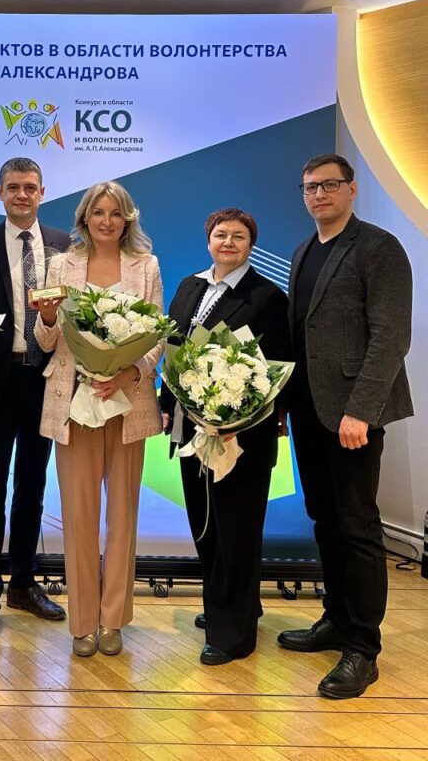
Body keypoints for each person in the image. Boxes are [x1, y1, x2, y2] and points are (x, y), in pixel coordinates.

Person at [280, 153, 413, 699]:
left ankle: (363, 648)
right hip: (309, 411)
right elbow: (301, 336)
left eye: (329, 185)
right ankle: (336, 619)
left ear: (352, 190)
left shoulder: (379, 248)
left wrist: (361, 410)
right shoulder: (303, 250)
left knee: (357, 526)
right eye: (310, 187)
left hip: (353, 415)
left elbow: (390, 337)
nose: (319, 194)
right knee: (324, 518)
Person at [34, 181, 164, 657]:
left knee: (123, 517)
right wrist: (49, 319)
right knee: (79, 517)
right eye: (98, 212)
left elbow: (157, 335)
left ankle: (114, 620)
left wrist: (128, 371)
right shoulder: (59, 265)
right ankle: (83, 622)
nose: (106, 221)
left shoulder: (147, 266)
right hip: (73, 404)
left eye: (115, 213)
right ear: (84, 218)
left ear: (127, 219)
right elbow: (46, 341)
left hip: (128, 402)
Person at [158, 208, 291, 665]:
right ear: (208, 240)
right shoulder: (189, 286)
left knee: (237, 529)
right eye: (220, 234)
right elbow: (174, 352)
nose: (228, 242)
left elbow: (276, 370)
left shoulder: (267, 296)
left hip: (241, 436)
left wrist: (237, 417)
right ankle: (229, 603)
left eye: (238, 236)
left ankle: (234, 635)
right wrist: (167, 404)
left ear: (251, 244)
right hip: (190, 427)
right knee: (205, 524)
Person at [0, 158, 70, 641]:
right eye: (13, 187)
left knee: (32, 486)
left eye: (30, 187)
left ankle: (24, 583)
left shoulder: (65, 244)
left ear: (42, 192)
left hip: (45, 380)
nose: (22, 195)